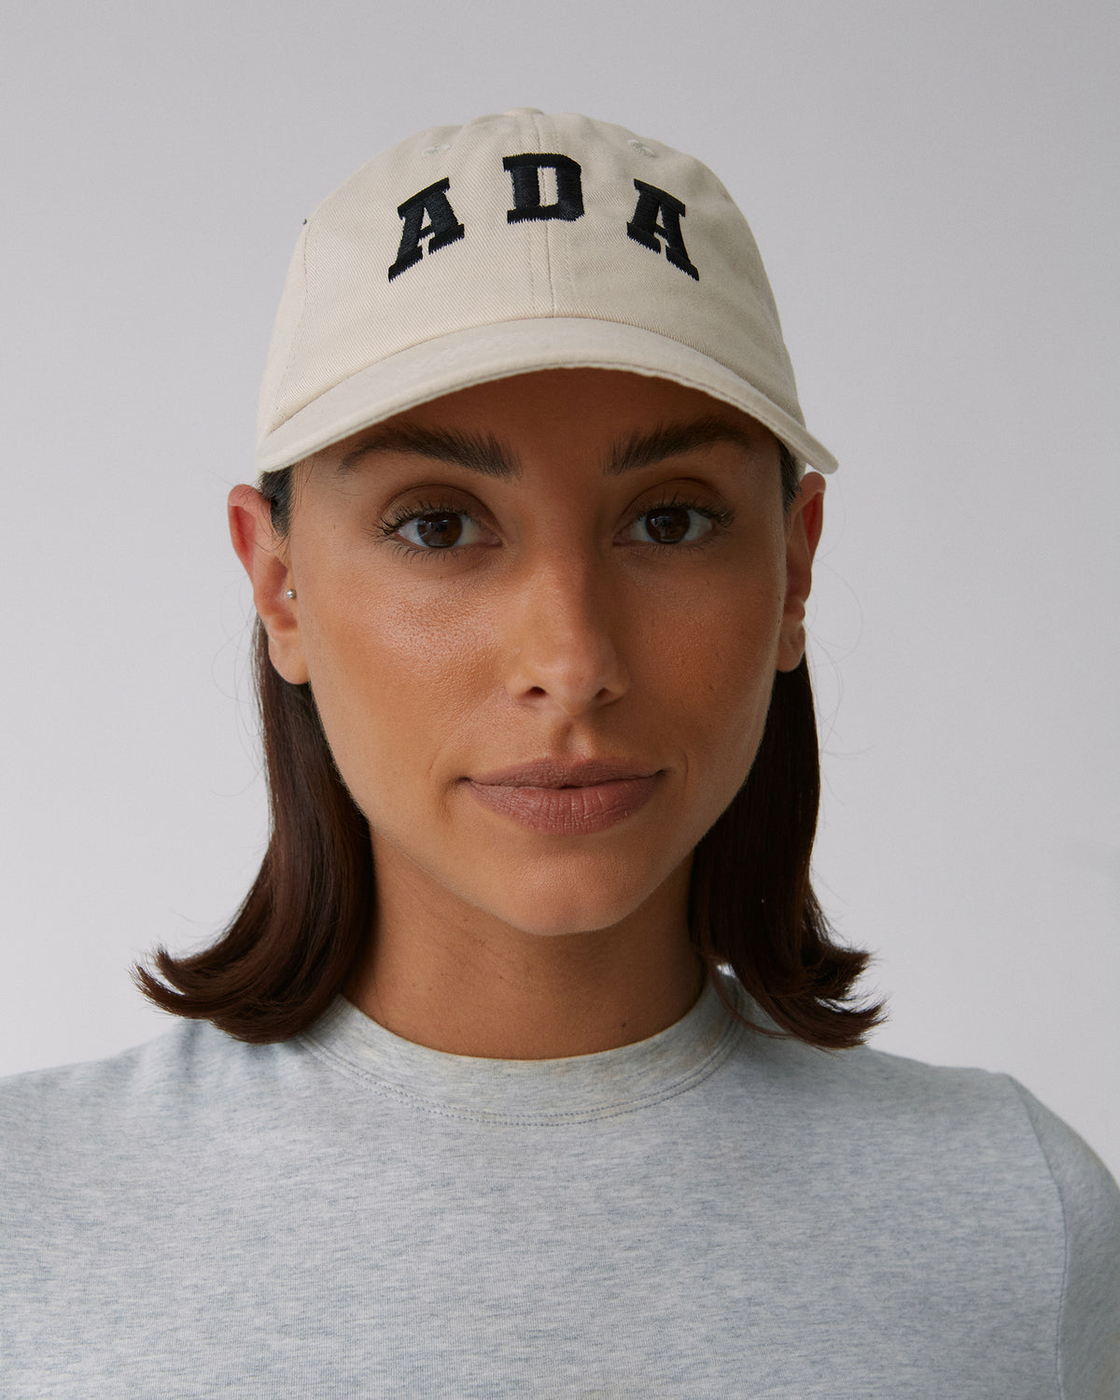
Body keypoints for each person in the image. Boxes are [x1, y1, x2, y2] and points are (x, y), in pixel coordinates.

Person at [1, 108, 1117, 1397]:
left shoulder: (1017, 1225)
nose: (573, 658)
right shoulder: (33, 1224)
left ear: (796, 564)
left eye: (672, 519)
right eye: (437, 526)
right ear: (280, 582)